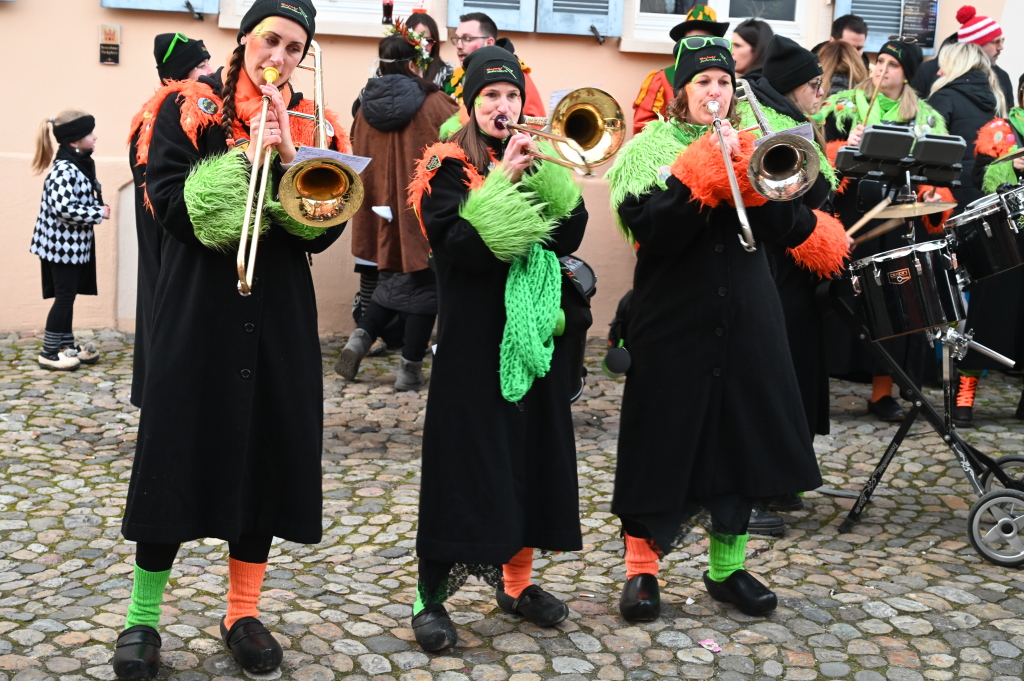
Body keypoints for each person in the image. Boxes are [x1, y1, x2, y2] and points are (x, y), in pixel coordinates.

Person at [111, 1, 349, 679]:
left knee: (264, 456)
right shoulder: (184, 107)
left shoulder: (315, 120)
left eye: (295, 46)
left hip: (277, 316)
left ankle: (241, 611)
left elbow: (323, 228)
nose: (280, 55)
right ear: (243, 39)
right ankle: (142, 618)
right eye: (271, 39)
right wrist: (248, 154)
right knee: (172, 454)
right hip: (197, 309)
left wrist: (288, 158)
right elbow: (172, 207)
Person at [605, 34, 823, 622]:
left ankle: (726, 570)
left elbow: (788, 221)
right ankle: (642, 573)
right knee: (661, 445)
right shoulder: (647, 152)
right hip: (673, 320)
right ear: (681, 95)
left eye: (724, 81)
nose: (715, 92)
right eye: (703, 82)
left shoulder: (754, 141)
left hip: (748, 316)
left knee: (740, 441)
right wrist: (698, 174)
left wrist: (758, 173)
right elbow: (652, 231)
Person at [407, 45, 588, 651]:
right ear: (471, 102)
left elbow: (570, 232)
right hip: (471, 339)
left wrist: (550, 176)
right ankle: (427, 599)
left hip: (534, 331)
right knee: (463, 465)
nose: (504, 107)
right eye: (491, 96)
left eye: (512, 96)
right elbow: (459, 246)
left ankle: (517, 584)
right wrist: (503, 182)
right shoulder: (444, 165)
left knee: (530, 456)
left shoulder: (536, 156)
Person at [739, 35, 847, 516]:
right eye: (813, 84)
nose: (820, 93)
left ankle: (784, 477)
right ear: (790, 86)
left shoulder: (795, 118)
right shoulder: (773, 121)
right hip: (775, 265)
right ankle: (763, 485)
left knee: (797, 368)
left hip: (795, 266)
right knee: (775, 373)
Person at [818, 38, 950, 421]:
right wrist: (846, 145)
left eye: (891, 64)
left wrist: (928, 191)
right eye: (878, 62)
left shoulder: (925, 117)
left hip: (896, 220)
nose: (881, 69)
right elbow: (821, 162)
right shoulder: (843, 108)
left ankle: (882, 393)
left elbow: (934, 174)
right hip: (851, 218)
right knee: (841, 302)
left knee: (891, 306)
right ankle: (817, 386)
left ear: (905, 72)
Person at [337, 24, 458, 389]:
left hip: (378, 212)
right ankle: (409, 368)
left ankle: (360, 337)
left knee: (392, 281)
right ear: (414, 63)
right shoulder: (436, 103)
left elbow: (355, 149)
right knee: (426, 287)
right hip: (423, 209)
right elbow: (458, 144)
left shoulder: (364, 106)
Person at [128, 32, 216, 408]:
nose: (210, 71)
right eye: (201, 65)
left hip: (165, 228)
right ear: (181, 75)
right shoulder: (168, 111)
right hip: (166, 230)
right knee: (164, 313)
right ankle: (163, 396)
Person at [29, 111, 110, 371]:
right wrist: (98, 212)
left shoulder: (76, 164)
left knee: (68, 296)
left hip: (71, 245)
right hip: (61, 246)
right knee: (64, 297)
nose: (95, 137)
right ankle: (49, 352)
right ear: (74, 140)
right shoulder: (64, 169)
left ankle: (65, 346)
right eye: (89, 134)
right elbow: (63, 208)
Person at [968, 74, 1024, 423]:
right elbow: (977, 177)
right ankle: (966, 390)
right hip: (1006, 238)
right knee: (987, 315)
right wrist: (1010, 165)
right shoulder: (1001, 129)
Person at [631, 4, 729, 135]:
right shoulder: (660, 79)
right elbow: (642, 126)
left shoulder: (726, 83)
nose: (700, 47)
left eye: (706, 40)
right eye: (693, 41)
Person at [443, 12, 545, 118]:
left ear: (489, 42)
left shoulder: (514, 73)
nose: (459, 46)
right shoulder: (459, 75)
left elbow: (535, 124)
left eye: (467, 39)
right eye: (457, 39)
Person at [913, 6, 1013, 106]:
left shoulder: (1002, 77)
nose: (1001, 47)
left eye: (1002, 40)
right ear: (975, 46)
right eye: (995, 42)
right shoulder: (928, 71)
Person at [406, 12, 455, 90]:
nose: (421, 46)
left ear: (435, 43)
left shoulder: (446, 74)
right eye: (415, 40)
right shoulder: (390, 71)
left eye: (427, 41)